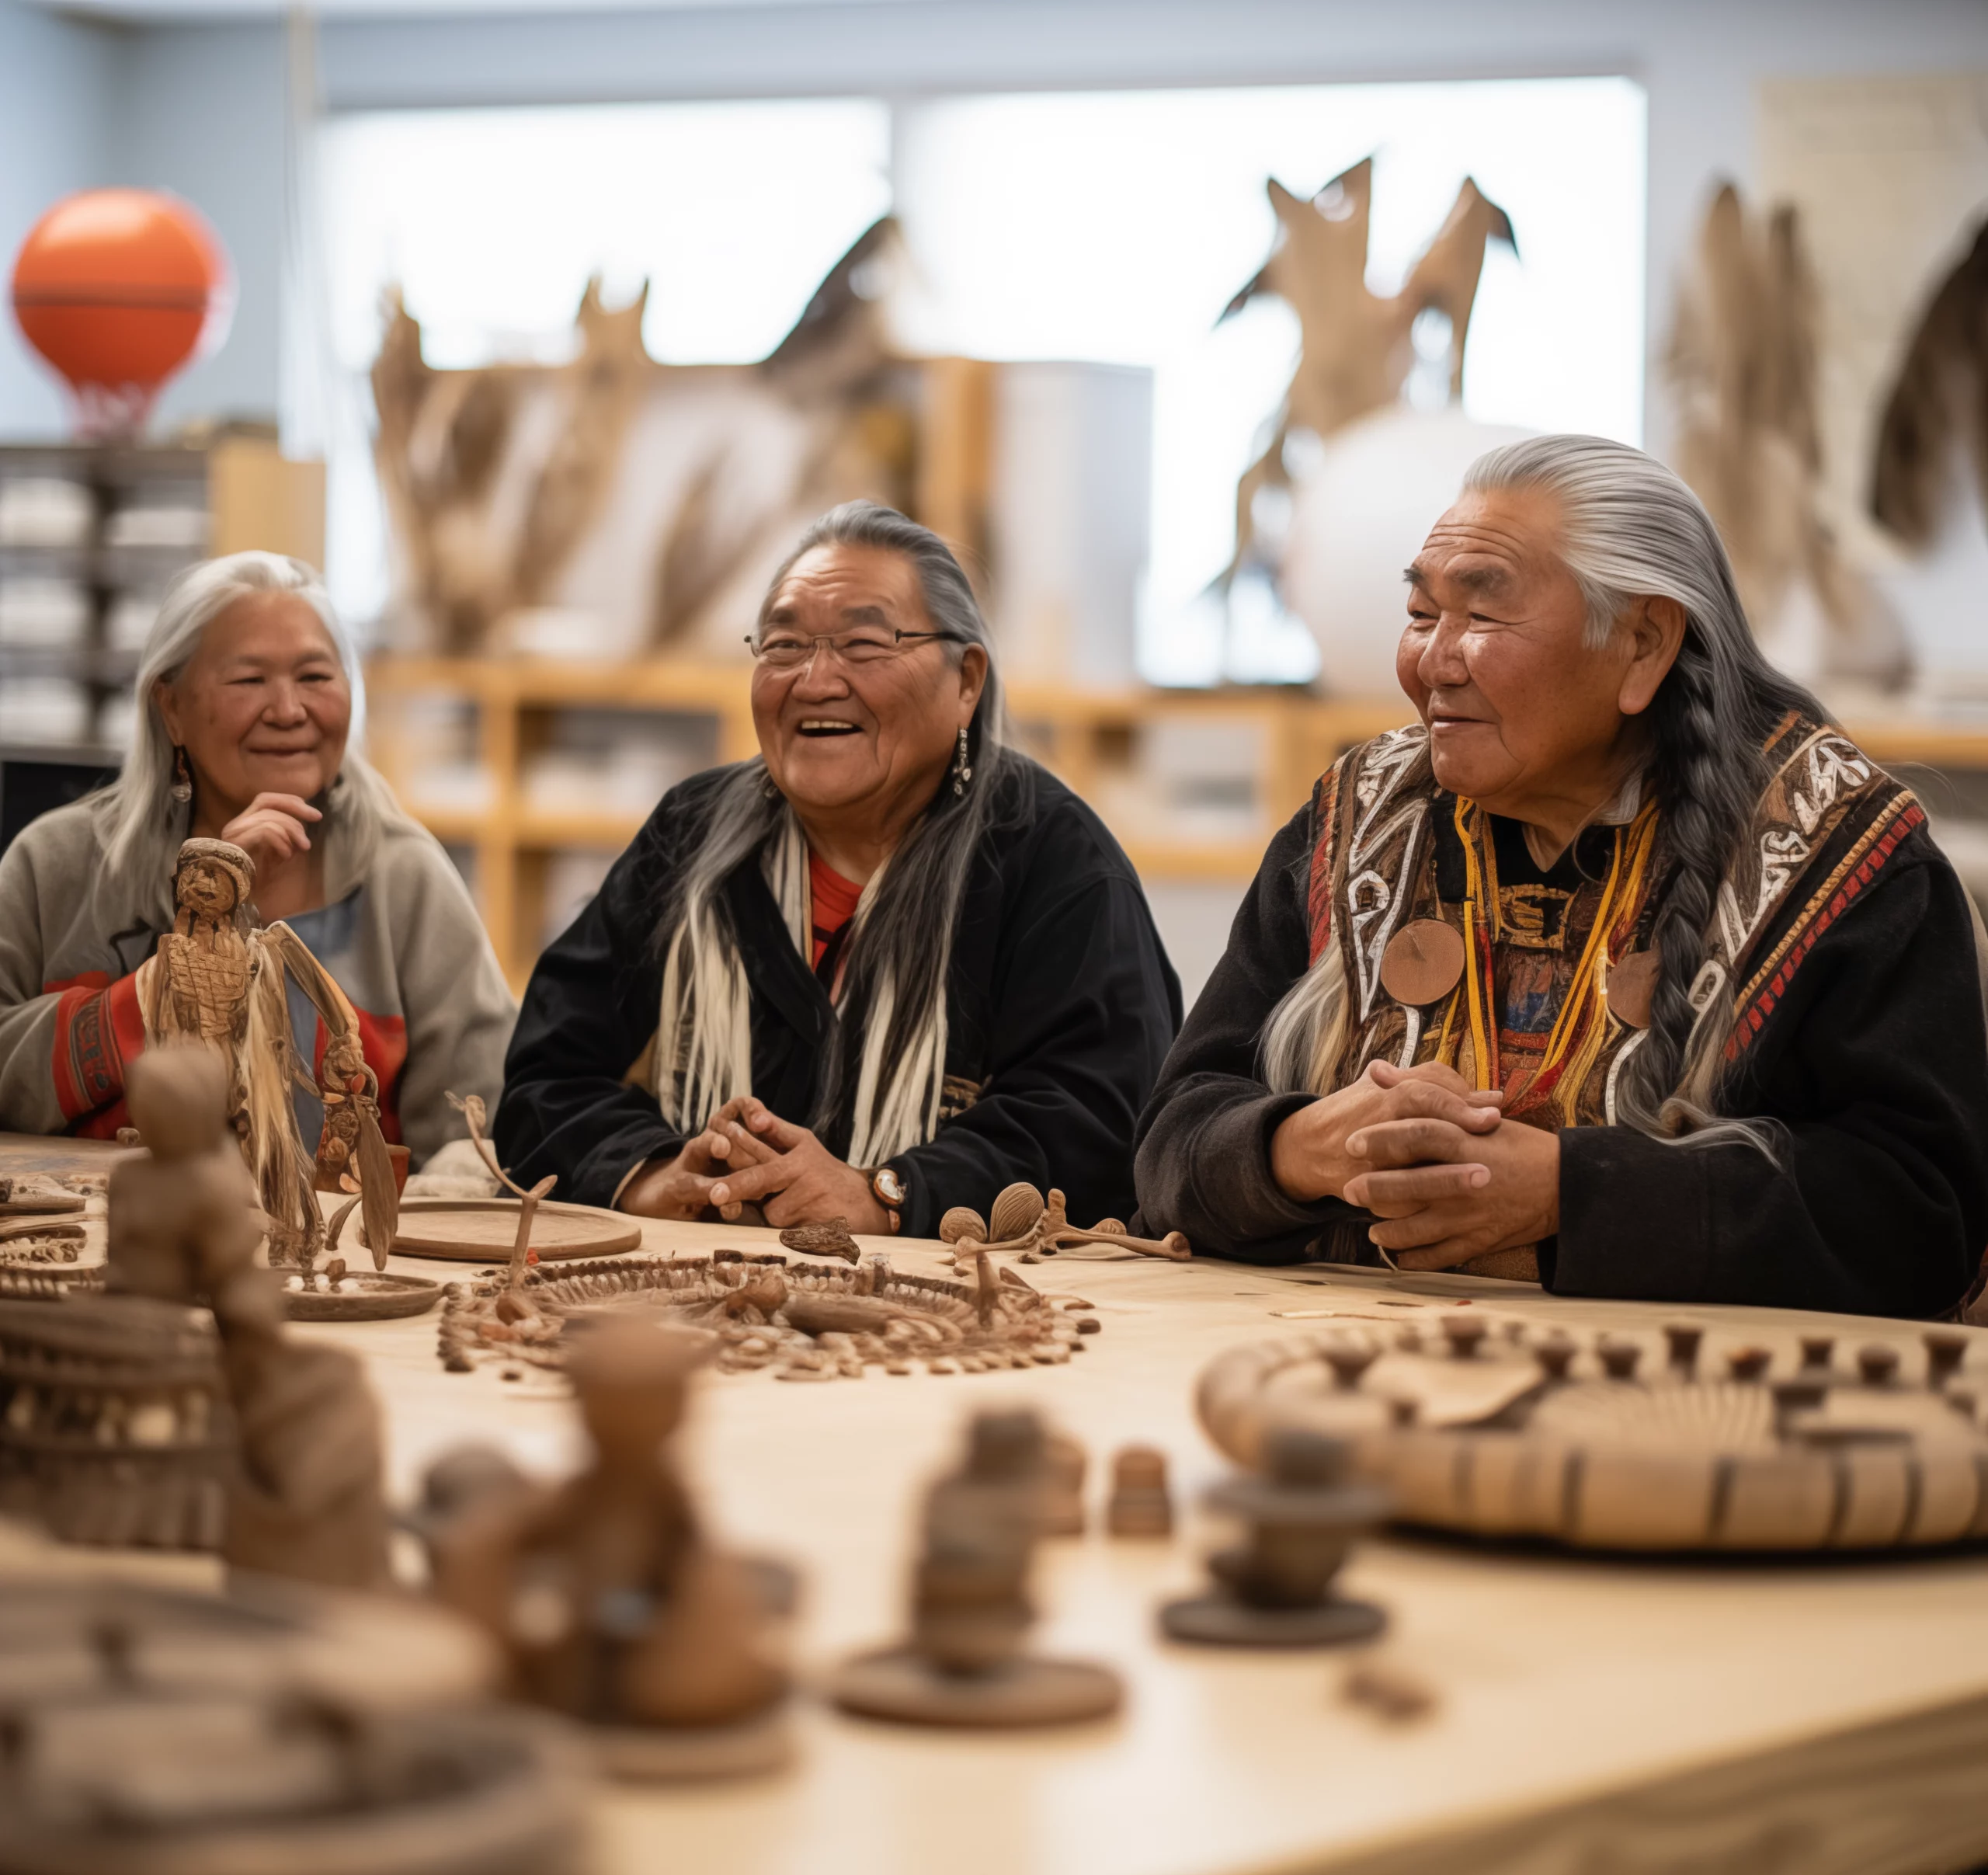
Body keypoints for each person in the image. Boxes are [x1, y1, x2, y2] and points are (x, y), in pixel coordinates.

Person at [1135, 434, 1988, 1320]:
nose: (1432, 661)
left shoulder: (1838, 853)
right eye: (1423, 613)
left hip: (1706, 1415)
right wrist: (1302, 1148)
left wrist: (1567, 1192)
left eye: (1484, 616)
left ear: (1643, 644)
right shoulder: (1352, 825)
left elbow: (1919, 1218)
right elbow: (1168, 1141)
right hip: (1352, 1378)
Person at [496, 500, 1180, 1236]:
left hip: (968, 1318)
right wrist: (660, 1176)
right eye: (784, 645)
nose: (816, 680)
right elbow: (546, 1080)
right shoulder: (691, 837)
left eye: (863, 643)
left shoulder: (1053, 862)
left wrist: (887, 1195)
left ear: (966, 682)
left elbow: (1105, 1126)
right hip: (705, 1286)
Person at [0, 551, 514, 1167]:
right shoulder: (57, 864)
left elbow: (479, 1124)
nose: (289, 710)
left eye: (315, 677)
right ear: (172, 709)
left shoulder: (405, 877)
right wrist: (181, 969)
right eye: (249, 681)